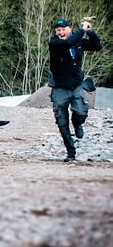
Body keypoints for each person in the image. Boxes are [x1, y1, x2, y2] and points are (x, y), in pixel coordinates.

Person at [48, 18, 102, 162]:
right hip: (59, 88)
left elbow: (97, 46)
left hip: (76, 85)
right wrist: (82, 30)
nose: (61, 32)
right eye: (58, 30)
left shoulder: (77, 42)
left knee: (81, 112)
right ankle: (71, 153)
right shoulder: (55, 43)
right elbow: (67, 43)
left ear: (69, 29)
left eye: (63, 29)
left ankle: (77, 124)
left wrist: (90, 31)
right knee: (61, 122)